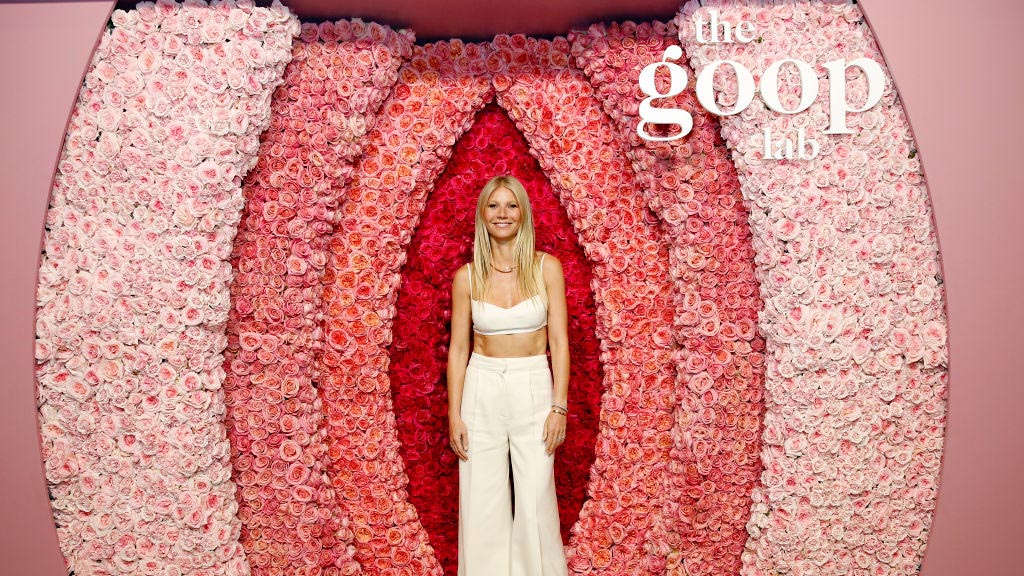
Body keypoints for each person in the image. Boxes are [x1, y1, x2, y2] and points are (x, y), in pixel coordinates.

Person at [447, 175, 570, 576]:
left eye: (511, 205)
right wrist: (454, 415)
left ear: (524, 213)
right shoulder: (467, 277)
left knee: (536, 498)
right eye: (494, 205)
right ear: (483, 214)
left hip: (533, 384)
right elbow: (459, 349)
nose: (503, 214)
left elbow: (560, 342)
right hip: (481, 386)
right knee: (481, 498)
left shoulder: (546, 268)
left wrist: (559, 407)